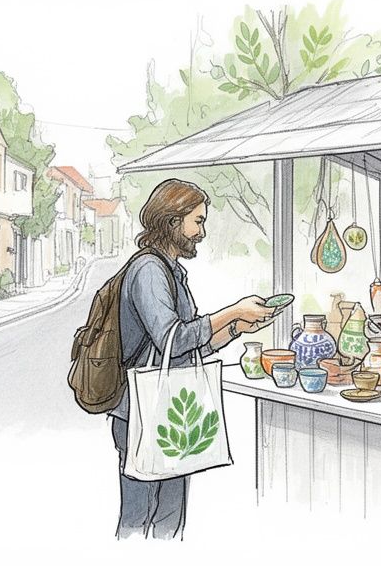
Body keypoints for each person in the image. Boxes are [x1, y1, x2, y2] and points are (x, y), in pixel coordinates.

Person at [109, 178, 275, 540]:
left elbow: (189, 347)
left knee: (169, 514)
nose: (202, 232)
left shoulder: (171, 271)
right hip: (142, 413)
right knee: (140, 516)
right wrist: (232, 311)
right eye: (197, 221)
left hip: (167, 411)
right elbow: (172, 337)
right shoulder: (149, 270)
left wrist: (237, 328)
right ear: (173, 221)